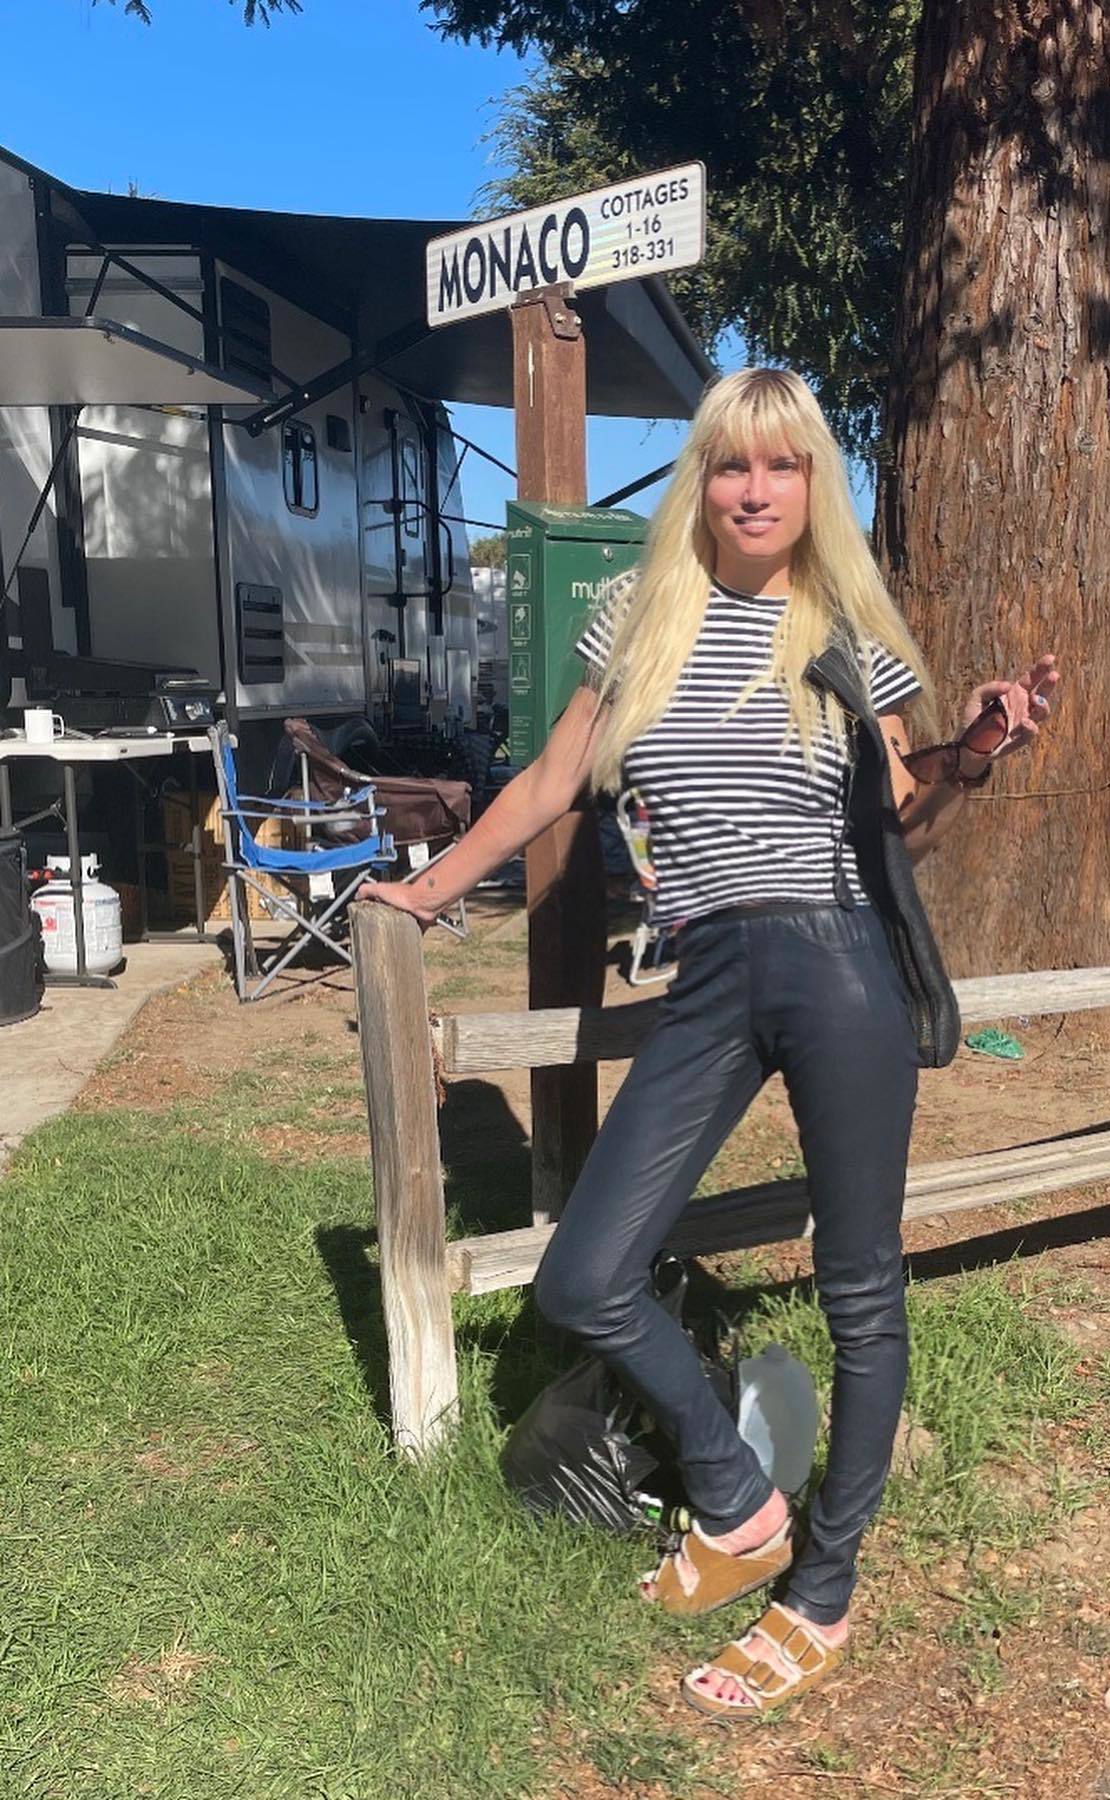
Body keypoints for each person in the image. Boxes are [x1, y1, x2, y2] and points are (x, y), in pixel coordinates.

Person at [360, 367, 1059, 1720]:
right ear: (703, 476)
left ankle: (824, 1594)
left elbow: (901, 823)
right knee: (586, 1273)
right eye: (734, 463)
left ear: (813, 485)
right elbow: (554, 779)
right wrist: (429, 890)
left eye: (783, 466)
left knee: (860, 1291)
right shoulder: (641, 613)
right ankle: (741, 1505)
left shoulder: (847, 628)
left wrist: (975, 749)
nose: (755, 490)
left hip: (840, 960)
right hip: (711, 971)